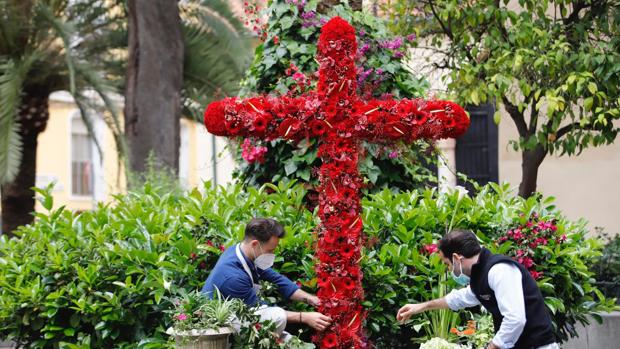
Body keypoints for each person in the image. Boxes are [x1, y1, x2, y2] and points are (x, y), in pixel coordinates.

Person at [397, 229, 559, 349]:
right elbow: (460, 298)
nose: (449, 270)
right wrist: (421, 307)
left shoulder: (499, 271)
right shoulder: (480, 275)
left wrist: (492, 346)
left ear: (456, 258)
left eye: (447, 264)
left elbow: (515, 319)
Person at [202, 217, 332, 339]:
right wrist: (304, 317)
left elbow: (277, 279)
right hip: (220, 331)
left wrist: (311, 299)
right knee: (282, 328)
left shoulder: (242, 253)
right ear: (254, 244)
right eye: (270, 250)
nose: (272, 254)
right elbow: (260, 313)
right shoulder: (233, 277)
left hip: (242, 317)